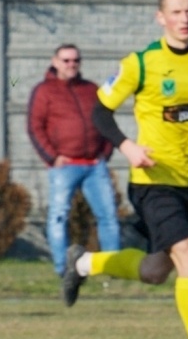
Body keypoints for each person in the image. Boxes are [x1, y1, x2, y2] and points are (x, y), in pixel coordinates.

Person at [60, 0, 188, 339]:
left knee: (156, 270)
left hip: (187, 180)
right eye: (176, 12)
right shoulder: (141, 63)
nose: (184, 19)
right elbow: (100, 112)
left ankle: (84, 262)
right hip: (150, 180)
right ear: (161, 17)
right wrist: (127, 147)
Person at [28, 43, 120, 275]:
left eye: (75, 60)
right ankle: (64, 269)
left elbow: (106, 120)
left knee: (108, 217)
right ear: (55, 61)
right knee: (58, 217)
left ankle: (114, 268)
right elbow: (34, 127)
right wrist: (52, 157)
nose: (71, 65)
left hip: (94, 166)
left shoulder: (91, 89)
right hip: (64, 167)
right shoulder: (44, 91)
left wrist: (105, 152)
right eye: (66, 60)